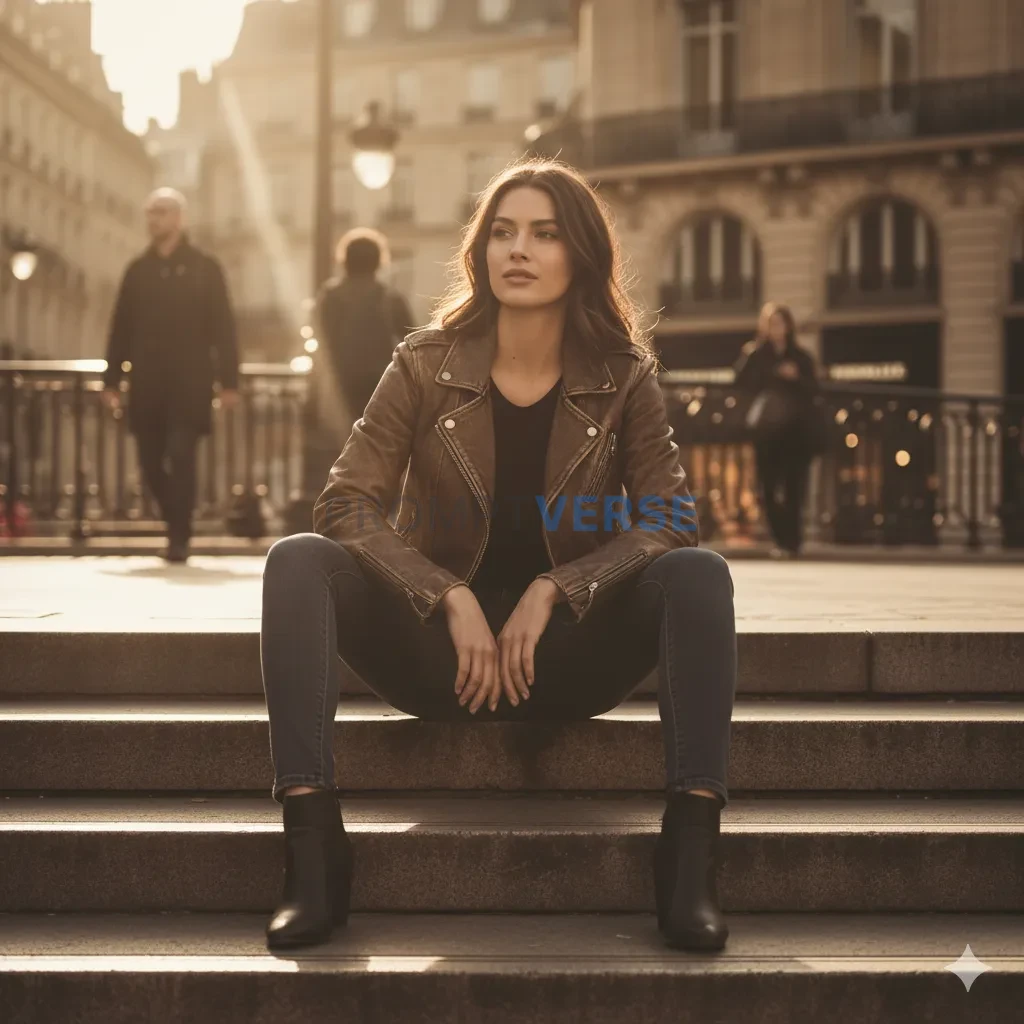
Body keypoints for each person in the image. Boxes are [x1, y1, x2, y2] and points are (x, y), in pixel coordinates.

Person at [259, 159, 737, 954]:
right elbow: (346, 502)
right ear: (481, 253)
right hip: (442, 658)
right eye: (503, 232)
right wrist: (446, 595)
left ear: (579, 255)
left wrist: (557, 587)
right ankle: (313, 855)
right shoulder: (423, 362)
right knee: (298, 559)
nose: (519, 249)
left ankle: (688, 861)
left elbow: (667, 519)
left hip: (571, 658)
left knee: (699, 575)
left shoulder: (624, 377)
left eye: (544, 234)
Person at [101, 188, 240, 563]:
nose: (153, 219)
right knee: (148, 461)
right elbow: (120, 327)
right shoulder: (137, 269)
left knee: (181, 454)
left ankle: (179, 536)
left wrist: (230, 382)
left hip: (191, 383)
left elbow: (223, 326)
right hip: (146, 383)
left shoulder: (204, 267)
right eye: (149, 212)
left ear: (179, 218)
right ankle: (177, 524)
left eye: (161, 212)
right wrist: (111, 380)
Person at [733, 302, 821, 558]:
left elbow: (814, 388)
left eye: (781, 323)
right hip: (768, 433)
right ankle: (781, 541)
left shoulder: (801, 356)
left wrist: (796, 378)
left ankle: (794, 542)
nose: (777, 329)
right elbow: (740, 383)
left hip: (796, 433)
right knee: (769, 486)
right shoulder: (756, 354)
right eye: (772, 324)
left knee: (795, 487)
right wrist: (772, 375)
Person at [318, 227, 416, 434]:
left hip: (340, 385)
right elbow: (413, 341)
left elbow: (323, 340)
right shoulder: (391, 298)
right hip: (381, 382)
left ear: (344, 260)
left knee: (342, 444)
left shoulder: (330, 296)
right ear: (379, 261)